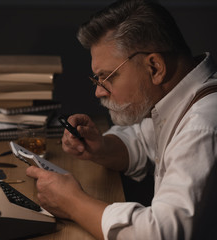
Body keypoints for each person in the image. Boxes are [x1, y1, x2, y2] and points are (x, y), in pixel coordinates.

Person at [26, 0, 217, 239]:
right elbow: (142, 142)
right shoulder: (176, 98)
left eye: (107, 77)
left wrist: (72, 203)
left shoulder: (201, 125)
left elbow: (163, 233)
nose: (99, 92)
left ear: (155, 67)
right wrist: (102, 148)